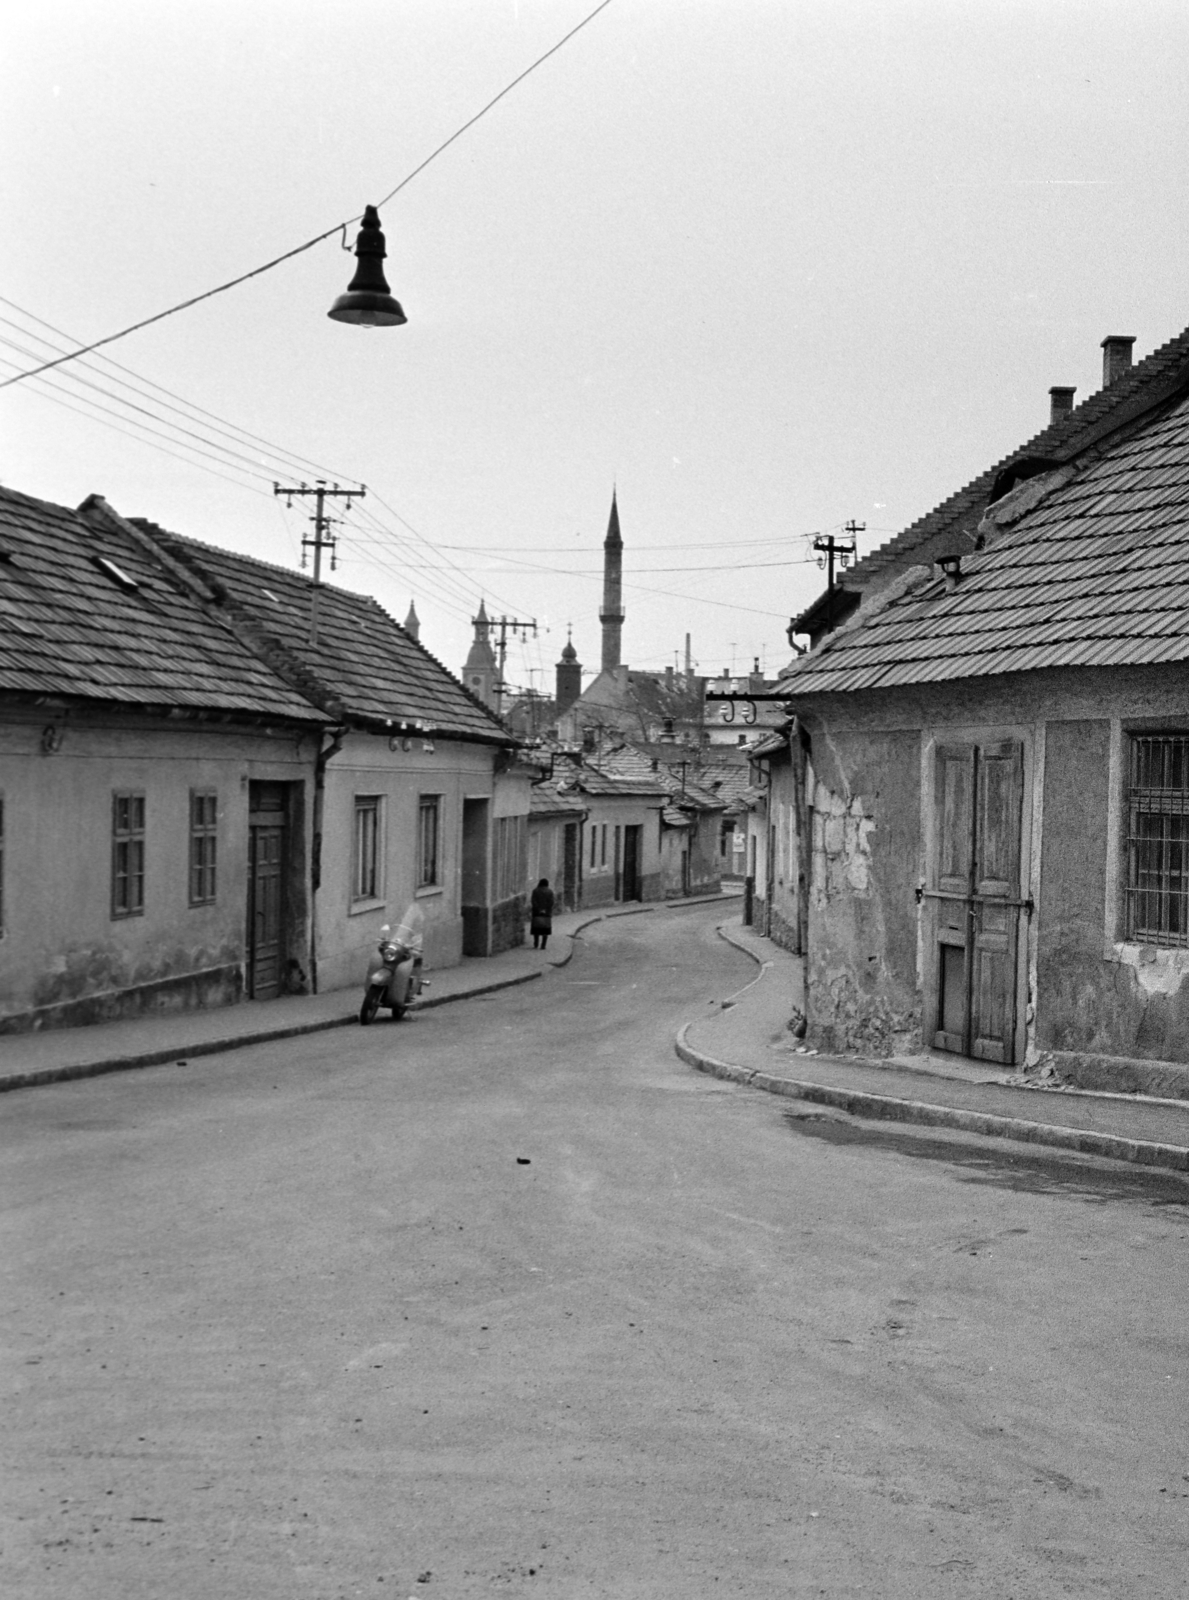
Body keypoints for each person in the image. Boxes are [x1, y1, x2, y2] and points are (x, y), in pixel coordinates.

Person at [530, 877, 555, 950]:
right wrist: (545, 910)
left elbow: (533, 901)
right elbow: (551, 902)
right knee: (545, 929)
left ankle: (536, 943)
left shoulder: (535, 891)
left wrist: (538, 909)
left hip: (536, 913)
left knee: (536, 928)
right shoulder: (550, 891)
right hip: (547, 913)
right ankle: (543, 945)